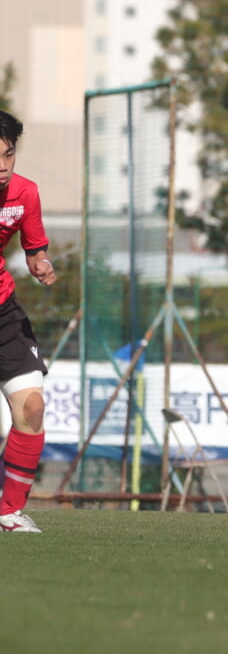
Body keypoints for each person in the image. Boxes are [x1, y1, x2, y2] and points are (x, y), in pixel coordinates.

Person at [0, 110, 57, 532]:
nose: (3, 166)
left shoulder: (25, 193)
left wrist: (40, 264)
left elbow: (35, 248)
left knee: (32, 408)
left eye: (8, 154)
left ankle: (8, 514)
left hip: (3, 313)